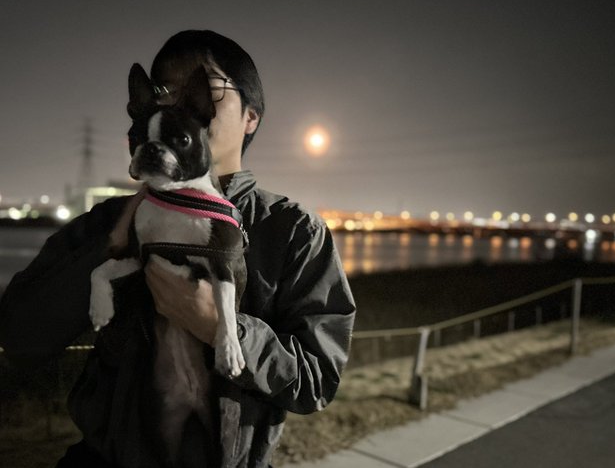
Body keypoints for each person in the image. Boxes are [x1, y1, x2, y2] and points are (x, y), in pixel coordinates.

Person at [0, 30, 356, 468]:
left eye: (206, 89)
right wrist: (109, 249)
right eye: (165, 91)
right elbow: (19, 335)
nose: (181, 102)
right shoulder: (110, 219)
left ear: (251, 116)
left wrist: (226, 329)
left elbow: (318, 379)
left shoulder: (293, 231)